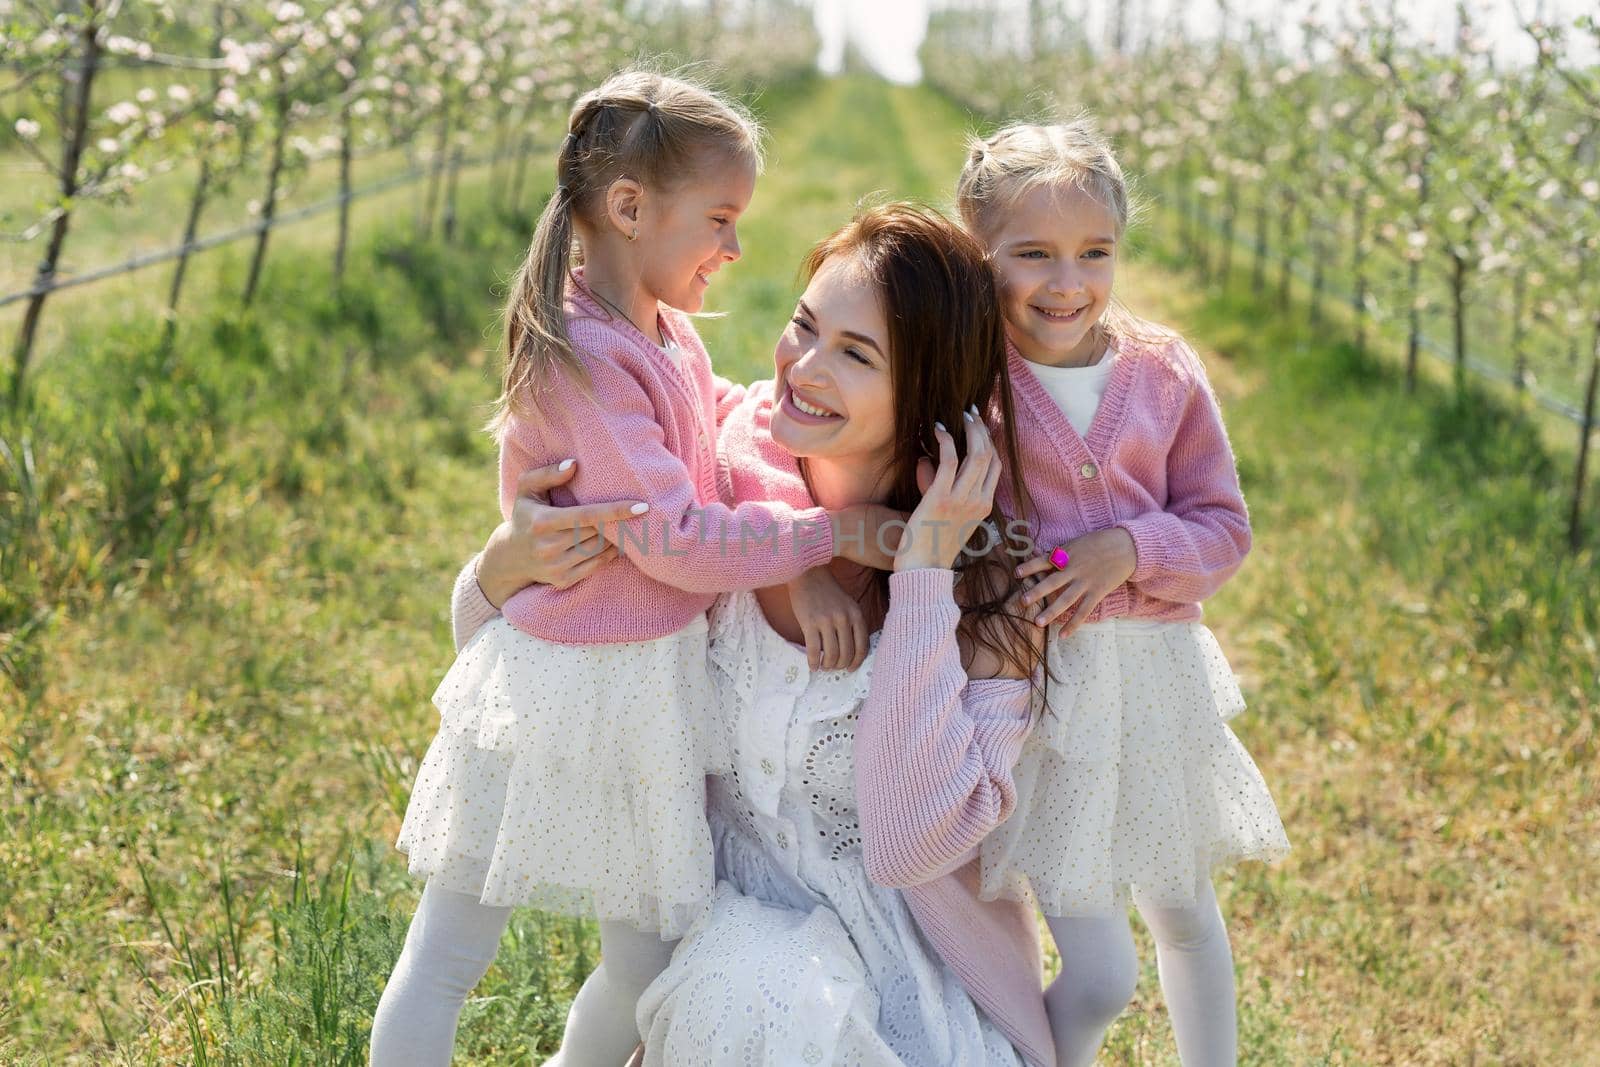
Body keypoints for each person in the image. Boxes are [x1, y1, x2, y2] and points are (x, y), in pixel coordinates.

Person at [370, 71, 896, 1067]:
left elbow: (727, 423)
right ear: (628, 207)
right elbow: (676, 537)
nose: (736, 248)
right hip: (563, 686)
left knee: (648, 957)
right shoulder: (584, 358)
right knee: (451, 948)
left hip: (648, 692)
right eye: (721, 218)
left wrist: (798, 473)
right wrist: (832, 536)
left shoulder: (668, 338)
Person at [455, 204, 1061, 1066]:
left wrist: (925, 571)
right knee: (756, 983)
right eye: (804, 326)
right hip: (725, 957)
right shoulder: (706, 504)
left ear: (927, 391)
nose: (801, 369)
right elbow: (499, 660)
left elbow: (908, 843)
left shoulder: (991, 584)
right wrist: (502, 567)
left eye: (855, 354)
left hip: (913, 981)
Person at [955, 119, 1291, 1067]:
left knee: (1186, 912)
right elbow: (945, 535)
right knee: (1101, 972)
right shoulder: (975, 384)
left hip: (1153, 688)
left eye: (1093, 253)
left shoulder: (1163, 371)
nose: (1068, 283)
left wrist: (1128, 548)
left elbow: (1223, 527)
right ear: (979, 252)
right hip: (1042, 702)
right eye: (1033, 255)